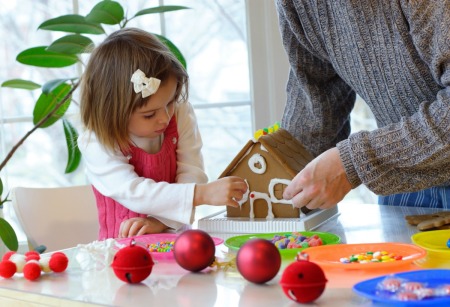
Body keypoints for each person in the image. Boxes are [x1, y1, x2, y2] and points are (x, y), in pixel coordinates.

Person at [276, 1, 450, 209]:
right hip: (408, 180)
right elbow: (315, 106)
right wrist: (282, 182)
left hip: (404, 165)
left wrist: (355, 160)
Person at [78, 28, 247, 239]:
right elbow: (133, 191)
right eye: (149, 115)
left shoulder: (181, 112)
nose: (165, 118)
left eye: (170, 102)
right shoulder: (96, 141)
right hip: (120, 251)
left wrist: (161, 222)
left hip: (177, 240)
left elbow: (191, 171)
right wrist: (202, 194)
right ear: (112, 113)